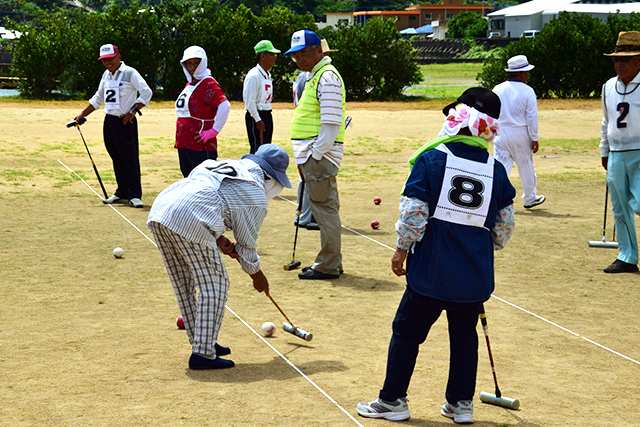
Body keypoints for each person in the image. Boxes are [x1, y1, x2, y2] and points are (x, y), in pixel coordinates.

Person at [357, 88, 516, 423]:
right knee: (464, 338)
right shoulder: (496, 168)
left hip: (431, 270)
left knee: (406, 332)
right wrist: (482, 249)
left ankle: (392, 400)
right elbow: (503, 227)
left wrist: (401, 250)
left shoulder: (432, 158)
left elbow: (414, 211)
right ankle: (461, 405)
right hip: (473, 276)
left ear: (459, 120)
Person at [147, 144, 293, 369]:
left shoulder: (222, 165)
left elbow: (206, 196)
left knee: (183, 280)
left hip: (162, 208)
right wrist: (258, 277)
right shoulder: (255, 193)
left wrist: (218, 239)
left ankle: (203, 342)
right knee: (215, 283)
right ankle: (202, 355)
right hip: (189, 217)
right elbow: (246, 247)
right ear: (271, 178)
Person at [286, 30, 346, 280]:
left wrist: (315, 154)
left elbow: (331, 124)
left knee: (324, 210)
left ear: (319, 51)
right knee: (325, 209)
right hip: (313, 155)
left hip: (318, 156)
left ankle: (328, 265)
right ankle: (332, 262)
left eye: (304, 53)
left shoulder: (327, 77)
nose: (300, 59)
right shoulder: (316, 75)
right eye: (295, 56)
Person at [74, 44, 152, 208]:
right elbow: (98, 98)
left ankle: (134, 195)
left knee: (129, 158)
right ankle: (122, 192)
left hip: (126, 121)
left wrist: (133, 110)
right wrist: (82, 115)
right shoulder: (106, 75)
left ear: (118, 56)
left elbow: (146, 92)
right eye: (104, 60)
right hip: (109, 121)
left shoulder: (130, 73)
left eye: (110, 59)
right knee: (116, 156)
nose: (108, 62)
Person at [600, 31, 640, 273]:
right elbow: (606, 121)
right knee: (620, 207)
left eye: (625, 59)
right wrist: (604, 150)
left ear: (639, 60)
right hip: (616, 152)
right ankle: (627, 255)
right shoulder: (608, 86)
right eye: (616, 59)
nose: (619, 64)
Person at [292, 39, 336, 231]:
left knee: (308, 179)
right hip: (311, 138)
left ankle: (305, 214)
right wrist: (317, 151)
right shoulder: (310, 77)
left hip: (310, 137)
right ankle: (305, 215)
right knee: (307, 179)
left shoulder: (312, 75)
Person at [492, 55, 545, 209]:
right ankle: (529, 197)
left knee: (500, 167)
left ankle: (495, 198)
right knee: (526, 166)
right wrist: (534, 137)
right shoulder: (528, 91)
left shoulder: (497, 88)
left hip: (500, 132)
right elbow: (531, 117)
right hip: (520, 132)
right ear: (522, 73)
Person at [175, 46, 231, 178]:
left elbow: (224, 105)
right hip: (185, 142)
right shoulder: (190, 84)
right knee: (189, 180)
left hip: (200, 145)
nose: (192, 66)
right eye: (189, 63)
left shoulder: (208, 83)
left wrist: (213, 131)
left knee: (204, 182)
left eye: (196, 62)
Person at [243, 40, 281, 155]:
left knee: (266, 149)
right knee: (257, 149)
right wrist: (258, 119)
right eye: (272, 54)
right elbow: (250, 102)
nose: (275, 57)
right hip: (256, 117)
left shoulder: (267, 75)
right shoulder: (254, 76)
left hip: (266, 114)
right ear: (263, 56)